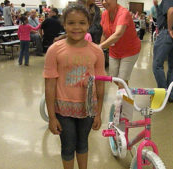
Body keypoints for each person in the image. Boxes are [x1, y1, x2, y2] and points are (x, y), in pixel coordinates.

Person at [44, 4, 105, 169]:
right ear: (64, 24)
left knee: (83, 143)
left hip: (88, 109)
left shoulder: (97, 51)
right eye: (71, 23)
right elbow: (49, 85)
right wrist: (51, 117)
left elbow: (100, 84)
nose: (76, 27)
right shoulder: (54, 50)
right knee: (68, 145)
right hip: (63, 110)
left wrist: (98, 112)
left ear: (89, 24)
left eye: (82, 23)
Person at [99, 0, 141, 89]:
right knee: (114, 78)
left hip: (130, 51)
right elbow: (104, 34)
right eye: (101, 0)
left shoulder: (123, 13)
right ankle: (127, 93)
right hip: (114, 51)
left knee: (122, 81)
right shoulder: (104, 14)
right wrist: (99, 50)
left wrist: (99, 47)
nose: (103, 2)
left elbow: (118, 34)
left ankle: (124, 101)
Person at [152, 0, 173, 102]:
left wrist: (169, 29)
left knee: (157, 65)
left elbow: (171, 11)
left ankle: (162, 95)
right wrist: (157, 5)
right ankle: (171, 95)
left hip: (167, 34)